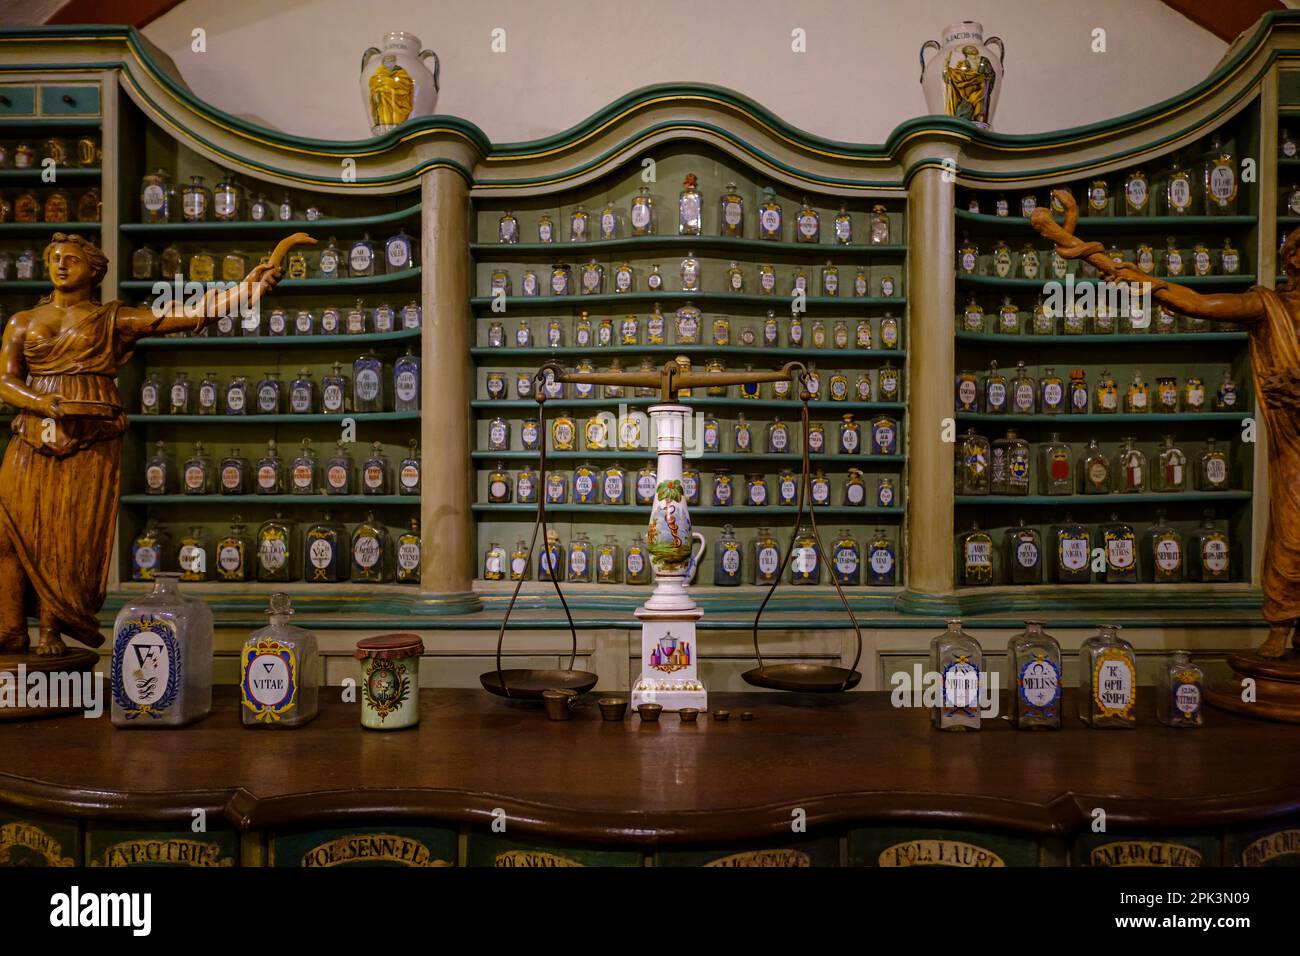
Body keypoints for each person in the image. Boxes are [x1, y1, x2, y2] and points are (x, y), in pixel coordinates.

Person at [1033, 194, 1300, 658]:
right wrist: (1142, 281)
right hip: (1293, 447)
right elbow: (1196, 302)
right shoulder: (1268, 307)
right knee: (1291, 531)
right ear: (1294, 260)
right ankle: (1282, 628)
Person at [0, 232, 282, 656]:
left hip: (90, 439)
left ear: (93, 271)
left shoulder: (113, 320)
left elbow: (187, 316)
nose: (59, 265)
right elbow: (5, 381)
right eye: (54, 258)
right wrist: (43, 402)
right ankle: (11, 628)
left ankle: (51, 631)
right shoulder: (22, 321)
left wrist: (247, 290)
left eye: (71, 260)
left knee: (68, 536)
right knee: (12, 534)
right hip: (32, 436)